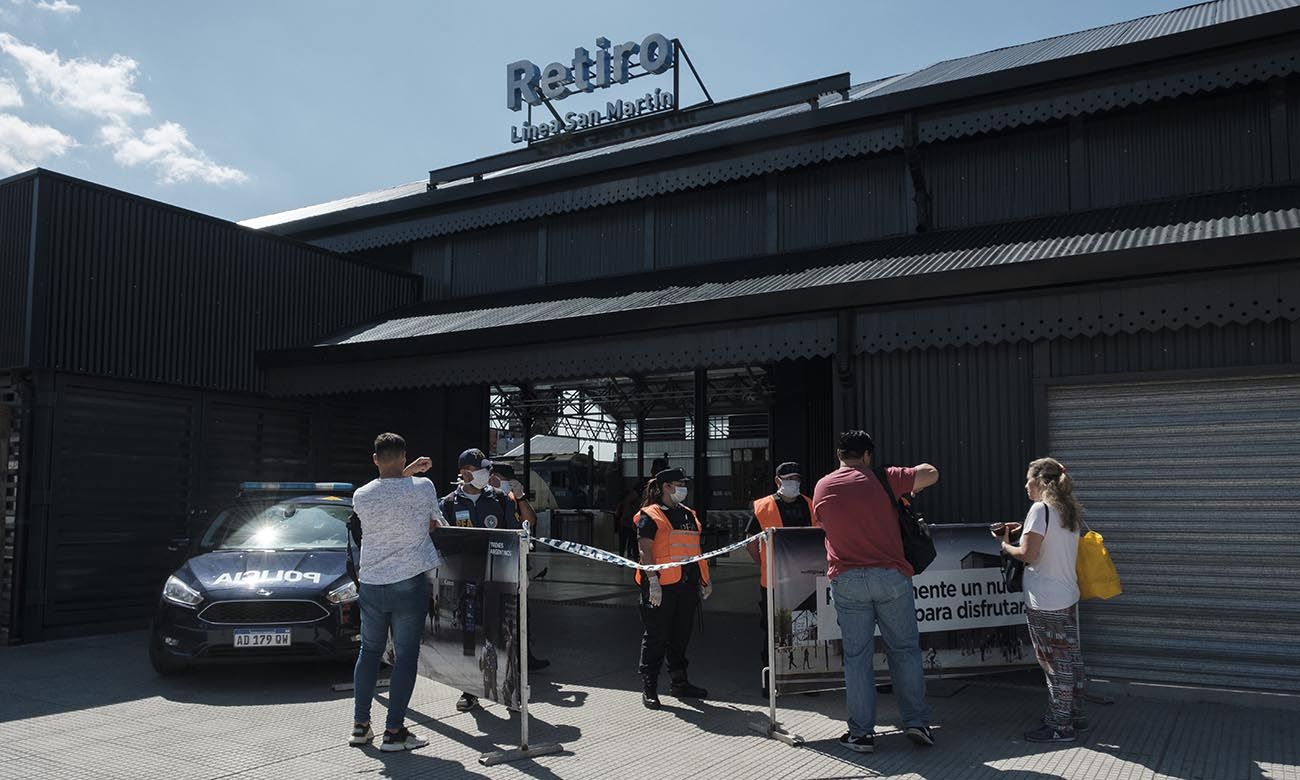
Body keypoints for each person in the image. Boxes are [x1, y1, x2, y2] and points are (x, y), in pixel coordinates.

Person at [812, 430, 939, 754]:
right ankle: (917, 723)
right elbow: (931, 473)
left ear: (840, 455)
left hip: (848, 579)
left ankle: (861, 734)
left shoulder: (823, 486)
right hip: (891, 576)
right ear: (868, 455)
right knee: (905, 651)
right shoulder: (886, 478)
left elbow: (822, 524)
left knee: (857, 659)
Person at [348, 432, 443, 752]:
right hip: (409, 581)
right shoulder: (424, 488)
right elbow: (434, 524)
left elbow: (386, 490)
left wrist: (404, 472)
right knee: (405, 657)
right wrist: (412, 473)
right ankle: (394, 732)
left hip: (372, 583)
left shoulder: (361, 495)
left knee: (369, 652)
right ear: (404, 456)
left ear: (375, 459)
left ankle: (361, 726)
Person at [996, 457, 1086, 744]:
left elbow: (1029, 554)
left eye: (1028, 480)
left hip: (1045, 599)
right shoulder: (1068, 509)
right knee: (1069, 658)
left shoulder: (1040, 509)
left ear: (1040, 481)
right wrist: (1024, 528)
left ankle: (1060, 726)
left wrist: (1006, 546)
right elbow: (1051, 542)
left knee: (1052, 662)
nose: (1025, 485)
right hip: (1067, 595)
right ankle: (1073, 714)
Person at [440, 447, 519, 713]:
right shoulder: (448, 504)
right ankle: (469, 691)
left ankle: (510, 688)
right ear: (465, 473)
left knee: (505, 634)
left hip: (500, 580)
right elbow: (442, 544)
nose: (488, 474)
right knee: (470, 635)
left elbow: (514, 535)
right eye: (482, 470)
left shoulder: (499, 499)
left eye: (488, 469)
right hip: (467, 582)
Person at [635, 467, 712, 709]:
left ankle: (680, 682)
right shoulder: (650, 514)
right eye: (679, 484)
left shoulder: (689, 514)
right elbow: (644, 550)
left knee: (680, 636)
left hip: (687, 585)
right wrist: (653, 581)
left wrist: (705, 579)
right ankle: (649, 687)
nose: (683, 488)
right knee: (657, 637)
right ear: (666, 487)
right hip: (661, 586)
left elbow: (694, 549)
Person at [745, 461, 817, 697]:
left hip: (806, 581)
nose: (792, 483)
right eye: (788, 479)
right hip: (774, 581)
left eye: (796, 479)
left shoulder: (810, 504)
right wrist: (764, 563)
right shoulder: (763, 507)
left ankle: (804, 679)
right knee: (773, 630)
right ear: (778, 481)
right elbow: (751, 543)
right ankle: (771, 679)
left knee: (805, 628)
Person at [489, 462, 551, 674]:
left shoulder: (514, 498)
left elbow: (530, 520)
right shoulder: (487, 498)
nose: (492, 481)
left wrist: (520, 495)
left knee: (522, 614)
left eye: (496, 478)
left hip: (516, 563)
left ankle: (525, 658)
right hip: (492, 565)